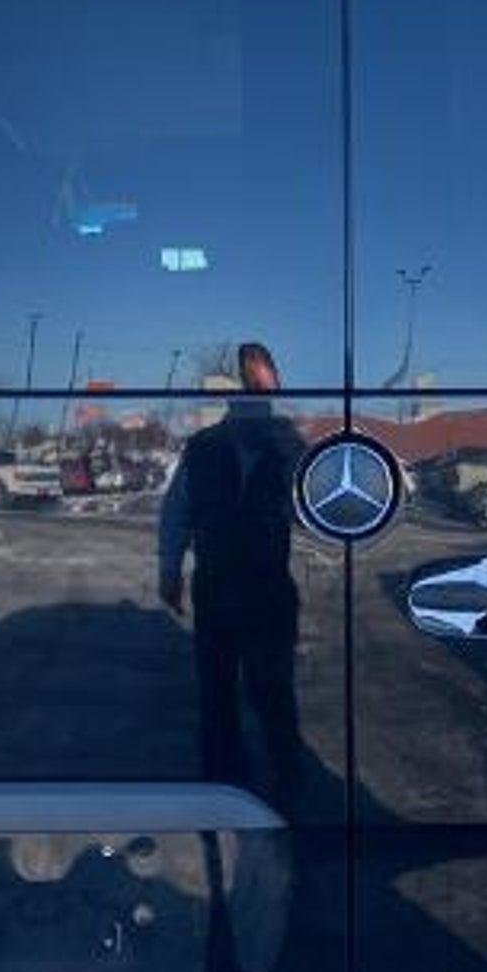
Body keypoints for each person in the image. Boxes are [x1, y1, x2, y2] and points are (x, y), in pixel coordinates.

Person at [157, 342, 306, 806]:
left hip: (269, 590)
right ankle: (222, 783)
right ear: (233, 395)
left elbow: (311, 511)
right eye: (249, 386)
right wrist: (169, 571)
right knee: (217, 691)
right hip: (216, 588)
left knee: (273, 688)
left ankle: (289, 780)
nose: (255, 398)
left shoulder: (290, 448)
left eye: (263, 387)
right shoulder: (203, 447)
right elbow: (176, 512)